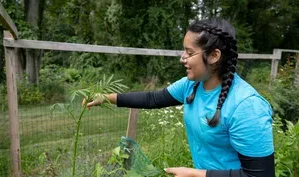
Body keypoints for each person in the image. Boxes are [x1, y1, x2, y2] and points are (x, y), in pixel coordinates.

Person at [83, 18, 275, 177]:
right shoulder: (192, 85)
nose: (182, 58)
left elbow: (260, 175)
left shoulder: (246, 106)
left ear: (214, 55)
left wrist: (198, 174)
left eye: (190, 53)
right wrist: (106, 97)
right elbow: (153, 99)